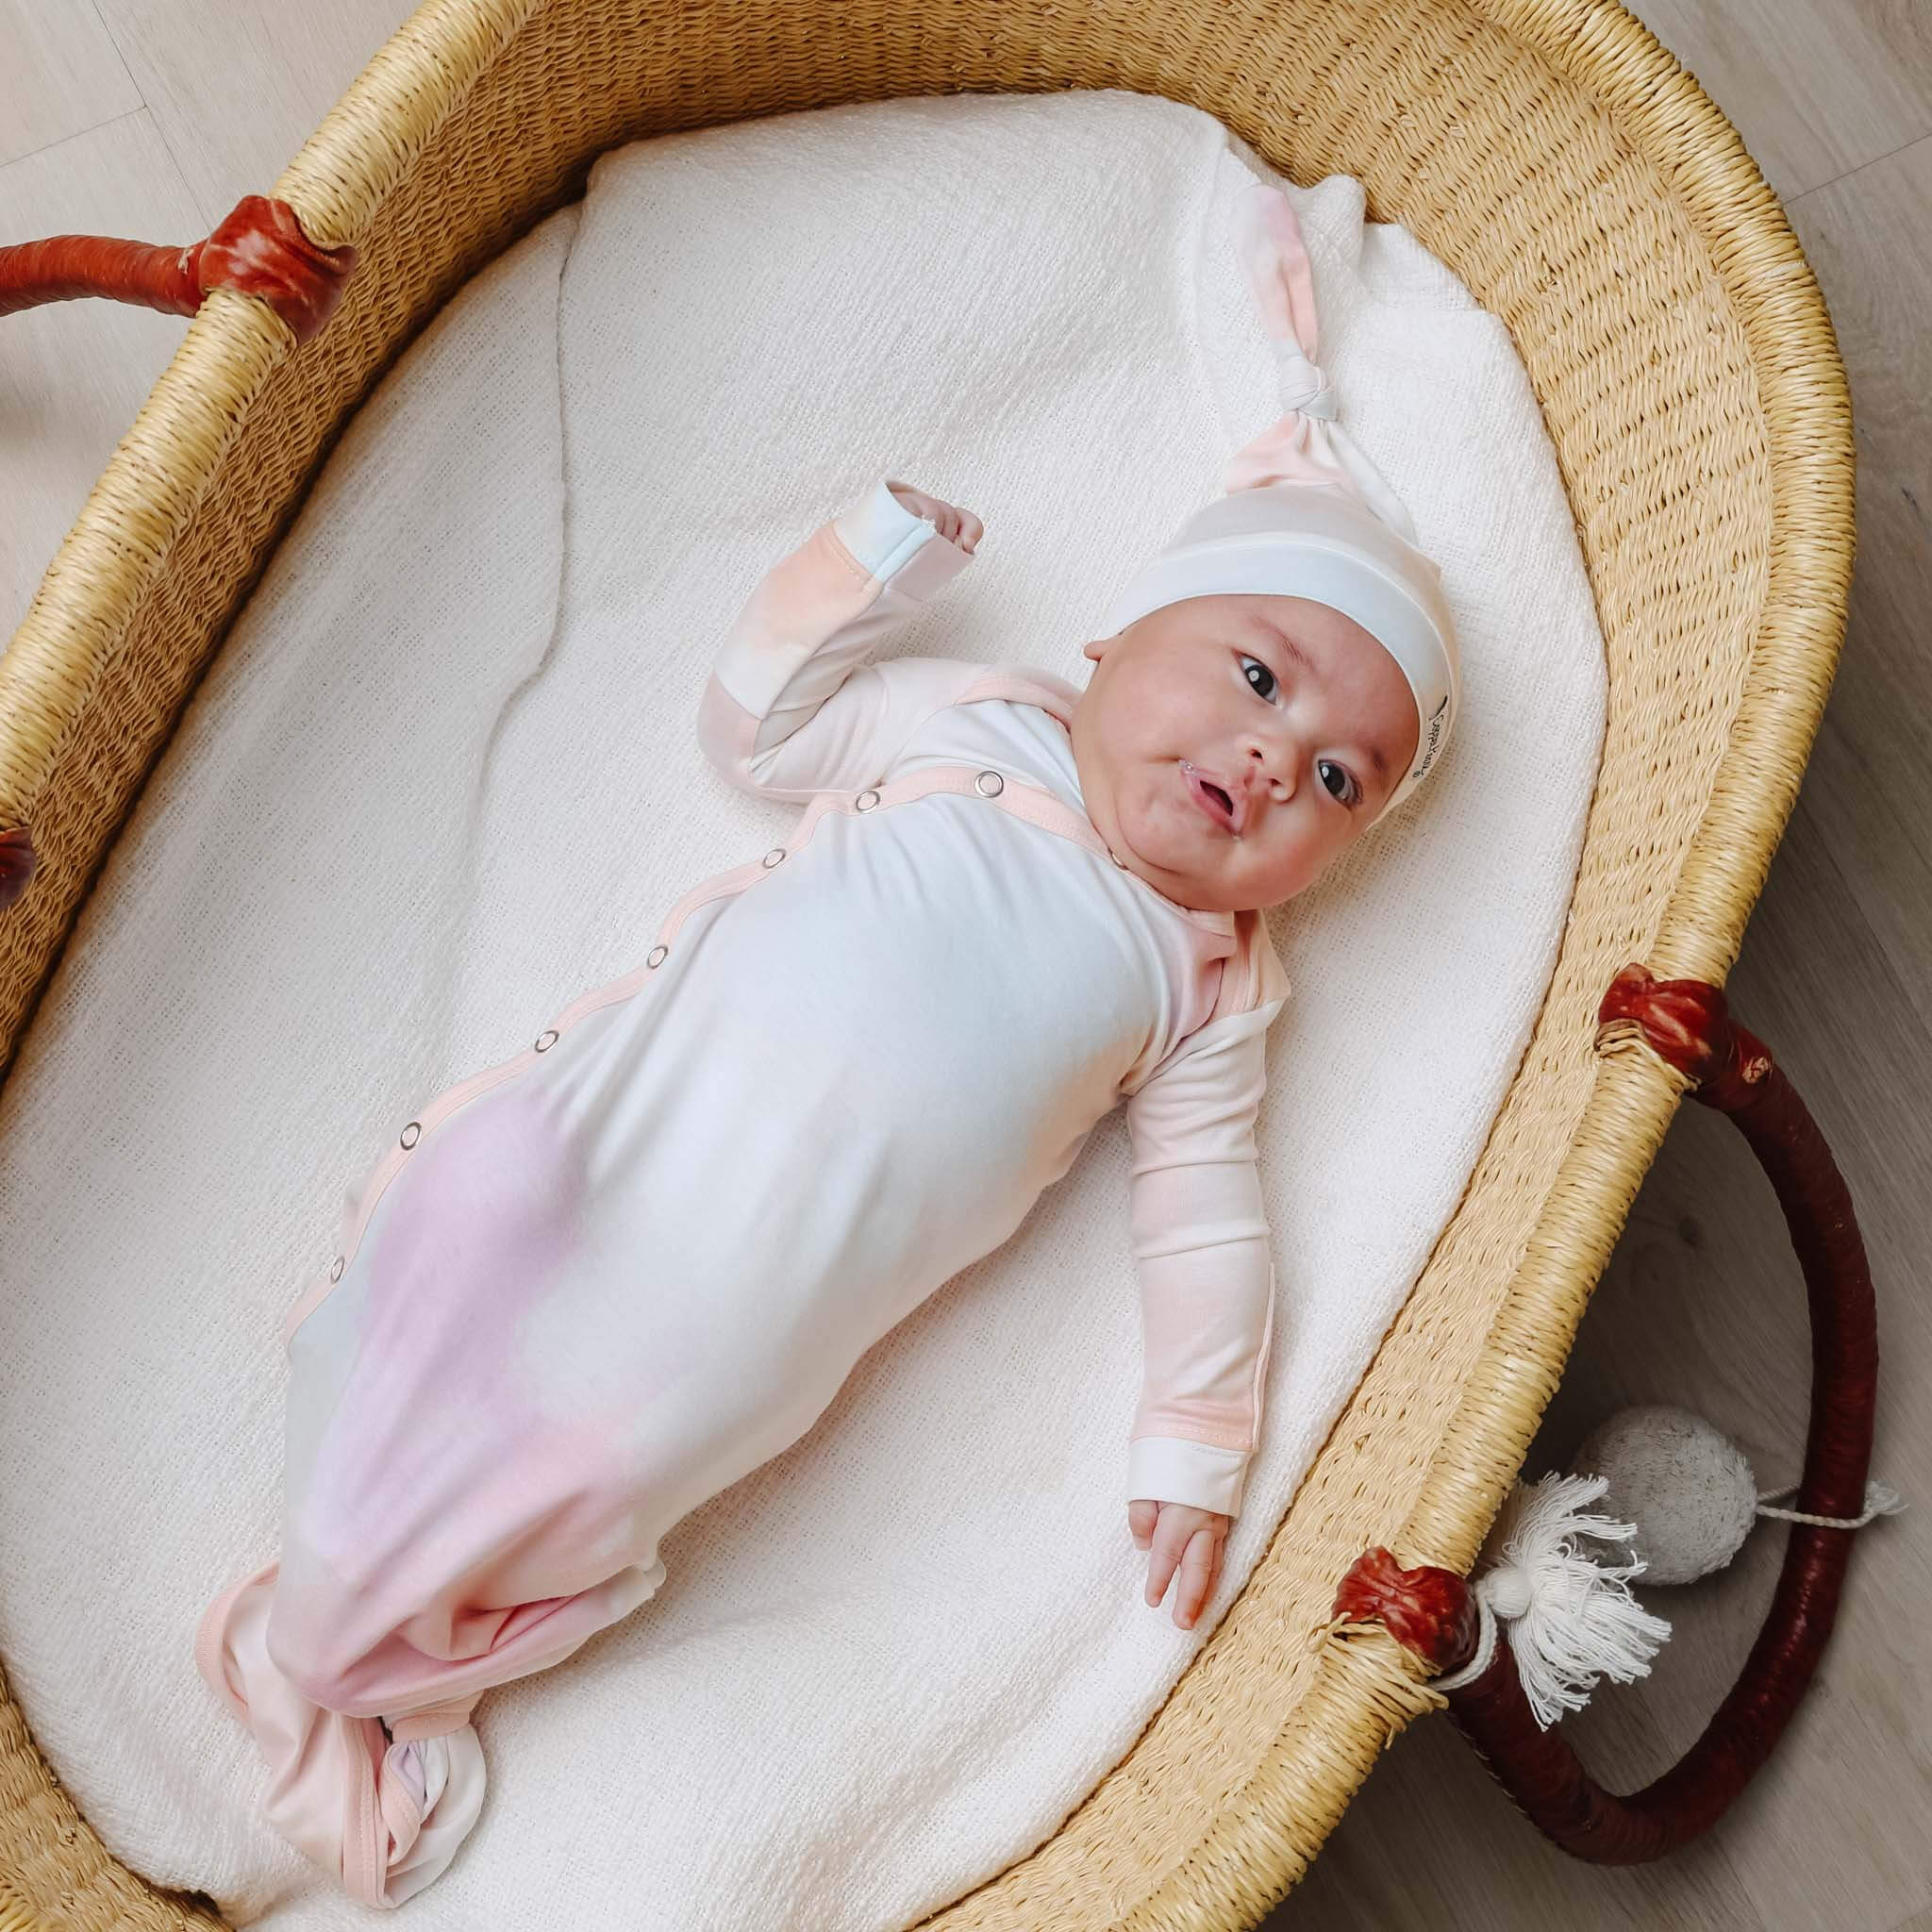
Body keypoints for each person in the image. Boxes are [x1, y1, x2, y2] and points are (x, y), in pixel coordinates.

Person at [196, 179, 1458, 1908]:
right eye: (1257, 676)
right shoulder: (972, 721)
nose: (1271, 758)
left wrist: (1196, 1434)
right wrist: (870, 564)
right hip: (624, 1130)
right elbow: (754, 732)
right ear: (1114, 641)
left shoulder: (1207, 982)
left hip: (765, 1297)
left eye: (1336, 779)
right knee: (471, 1211)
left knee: (620, 1447)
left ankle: (372, 1644)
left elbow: (1207, 1221)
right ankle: (339, 1565)